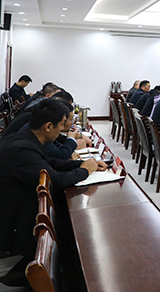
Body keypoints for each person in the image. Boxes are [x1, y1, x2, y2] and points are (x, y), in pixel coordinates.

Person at [0, 99, 105, 280]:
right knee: (66, 216)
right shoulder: (20, 149)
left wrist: (84, 164)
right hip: (12, 219)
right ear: (48, 126)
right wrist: (85, 171)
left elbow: (52, 163)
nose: (63, 129)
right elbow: (55, 180)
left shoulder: (28, 138)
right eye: (62, 124)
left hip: (20, 204)